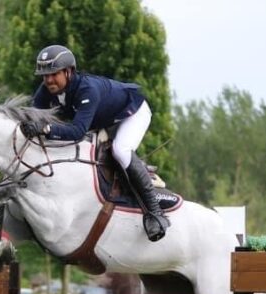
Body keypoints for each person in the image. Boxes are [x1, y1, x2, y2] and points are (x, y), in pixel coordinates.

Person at [20, 44, 168, 242]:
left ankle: (156, 212)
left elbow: (77, 131)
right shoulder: (46, 89)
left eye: (53, 74)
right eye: (45, 75)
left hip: (131, 113)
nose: (48, 80)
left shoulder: (86, 89)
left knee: (120, 151)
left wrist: (46, 129)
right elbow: (33, 116)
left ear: (68, 71)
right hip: (103, 120)